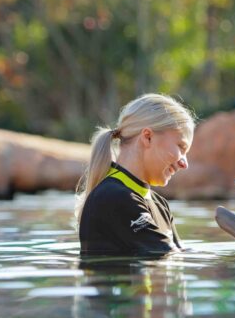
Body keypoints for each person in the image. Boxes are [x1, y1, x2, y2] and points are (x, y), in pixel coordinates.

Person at [76, 93, 195, 256]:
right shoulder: (113, 197)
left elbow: (175, 256)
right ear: (148, 137)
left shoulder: (160, 204)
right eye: (181, 147)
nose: (184, 163)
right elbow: (165, 257)